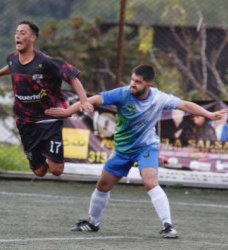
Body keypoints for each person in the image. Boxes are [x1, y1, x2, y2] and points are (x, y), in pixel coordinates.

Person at [45, 64, 228, 238]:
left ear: (149, 84)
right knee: (102, 186)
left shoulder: (159, 98)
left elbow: (186, 105)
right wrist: (67, 112)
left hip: (146, 147)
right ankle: (93, 222)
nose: (133, 84)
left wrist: (209, 115)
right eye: (132, 79)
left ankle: (168, 226)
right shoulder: (122, 93)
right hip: (122, 149)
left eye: (138, 82)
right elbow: (92, 100)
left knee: (150, 182)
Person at [0, 20, 93, 177]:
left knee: (56, 170)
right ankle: (41, 154)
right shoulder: (12, 58)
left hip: (49, 119)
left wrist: (83, 101)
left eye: (23, 33)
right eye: (16, 33)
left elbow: (73, 78)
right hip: (25, 122)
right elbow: (12, 67)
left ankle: (54, 154)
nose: (18, 36)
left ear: (33, 38)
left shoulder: (46, 62)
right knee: (39, 171)